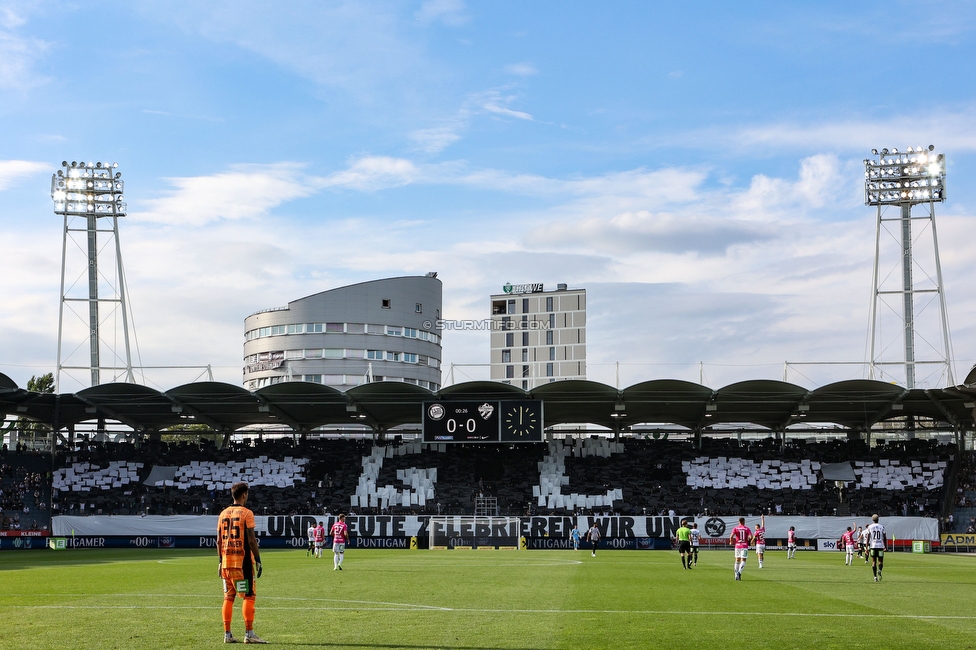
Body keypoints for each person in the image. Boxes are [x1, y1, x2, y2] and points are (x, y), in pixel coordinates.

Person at [217, 481, 267, 644]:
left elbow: (218, 541)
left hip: (226, 563)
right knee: (249, 596)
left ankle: (227, 634)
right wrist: (258, 559)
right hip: (242, 564)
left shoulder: (223, 514)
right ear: (244, 495)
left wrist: (220, 561)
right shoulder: (247, 513)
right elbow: (251, 540)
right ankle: (249, 633)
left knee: (228, 597)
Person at [866, 514, 887, 582]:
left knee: (873, 561)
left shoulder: (870, 527)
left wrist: (866, 547)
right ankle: (880, 570)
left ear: (872, 519)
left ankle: (875, 577)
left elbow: (868, 538)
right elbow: (884, 537)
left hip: (873, 546)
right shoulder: (882, 527)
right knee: (880, 561)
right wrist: (885, 546)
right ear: (878, 519)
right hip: (880, 546)